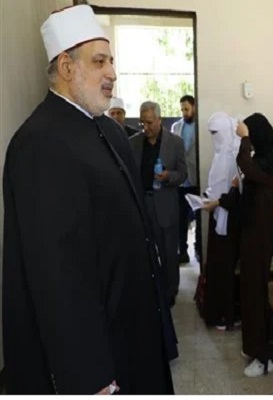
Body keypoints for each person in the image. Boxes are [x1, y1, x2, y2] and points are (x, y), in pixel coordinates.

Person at [2, 5, 173, 394]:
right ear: (66, 67)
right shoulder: (39, 143)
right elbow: (54, 275)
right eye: (99, 62)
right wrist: (88, 375)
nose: (112, 72)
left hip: (136, 334)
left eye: (111, 61)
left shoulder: (109, 132)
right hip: (99, 360)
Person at [235, 113, 273, 377]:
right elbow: (247, 170)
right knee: (249, 292)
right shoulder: (261, 159)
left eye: (251, 135)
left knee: (258, 295)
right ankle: (254, 346)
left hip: (260, 236)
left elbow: (246, 164)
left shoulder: (272, 160)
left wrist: (244, 138)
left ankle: (265, 356)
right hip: (251, 233)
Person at [130, 101, 187, 308]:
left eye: (149, 122)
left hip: (165, 204)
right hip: (142, 204)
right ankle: (152, 288)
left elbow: (183, 174)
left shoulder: (175, 142)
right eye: (142, 123)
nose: (146, 127)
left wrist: (168, 176)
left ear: (159, 120)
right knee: (146, 252)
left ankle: (170, 290)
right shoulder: (134, 143)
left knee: (168, 251)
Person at [199, 112, 241, 330]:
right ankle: (216, 313)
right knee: (216, 268)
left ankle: (227, 315)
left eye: (217, 133)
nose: (215, 138)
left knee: (225, 270)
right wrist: (207, 198)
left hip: (230, 221)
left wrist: (217, 202)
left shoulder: (236, 156)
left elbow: (236, 194)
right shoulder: (219, 156)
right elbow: (215, 184)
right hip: (217, 217)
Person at [172, 94, 200, 264]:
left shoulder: (201, 126)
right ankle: (182, 251)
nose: (184, 112)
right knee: (181, 219)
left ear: (194, 107)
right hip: (181, 180)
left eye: (187, 109)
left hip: (197, 179)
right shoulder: (176, 127)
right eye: (182, 109)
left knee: (199, 217)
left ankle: (198, 248)